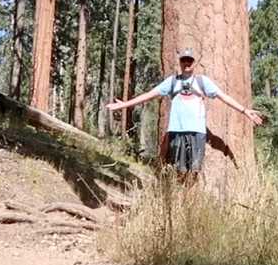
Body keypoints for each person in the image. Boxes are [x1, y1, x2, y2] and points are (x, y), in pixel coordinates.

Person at [106, 48, 263, 180]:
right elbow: (149, 94)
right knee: (179, 170)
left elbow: (224, 97)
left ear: (194, 63)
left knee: (194, 171)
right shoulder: (172, 82)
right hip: (177, 132)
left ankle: (189, 204)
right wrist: (125, 104)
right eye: (184, 60)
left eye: (190, 60)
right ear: (180, 62)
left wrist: (245, 110)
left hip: (197, 132)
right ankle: (180, 202)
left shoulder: (203, 82)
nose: (187, 63)